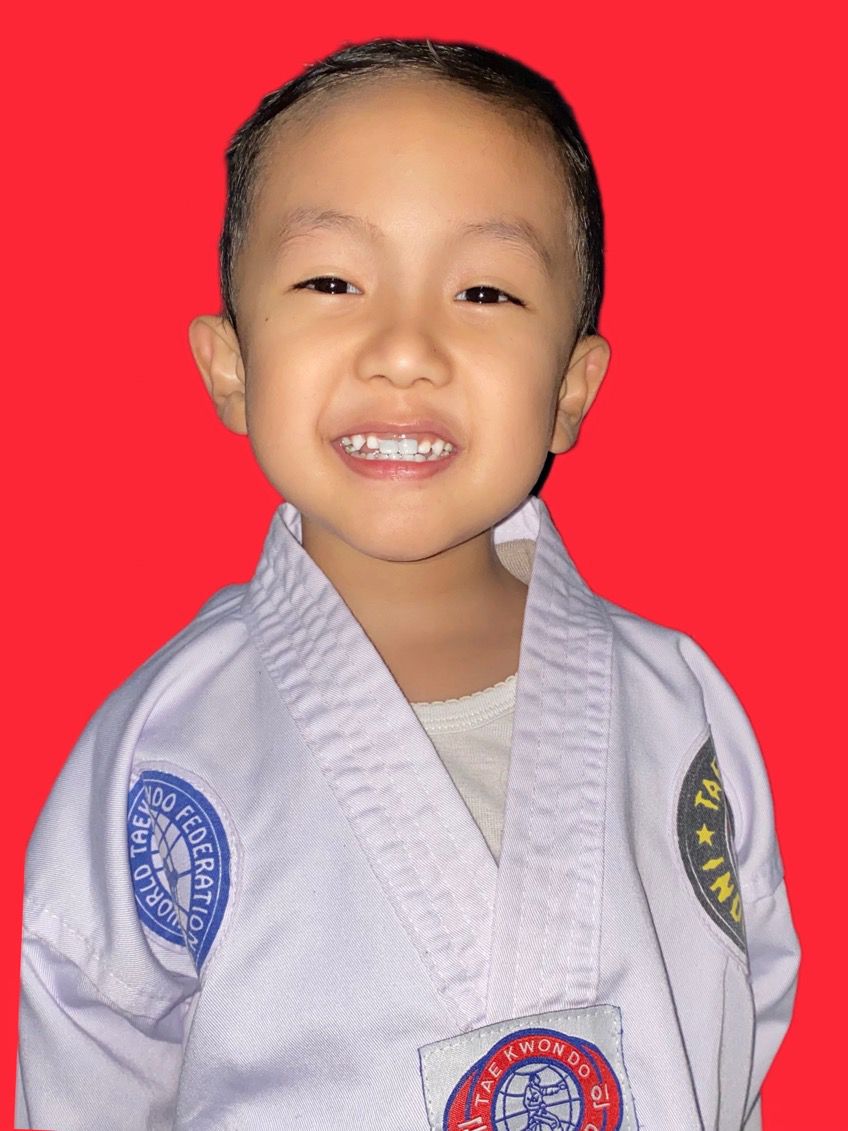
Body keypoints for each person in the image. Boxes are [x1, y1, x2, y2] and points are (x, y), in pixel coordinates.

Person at [15, 37, 799, 1131]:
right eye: (331, 281)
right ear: (230, 367)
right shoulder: (164, 746)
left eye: (483, 291)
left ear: (570, 391)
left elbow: (743, 1015)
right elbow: (89, 1066)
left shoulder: (680, 706)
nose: (404, 349)